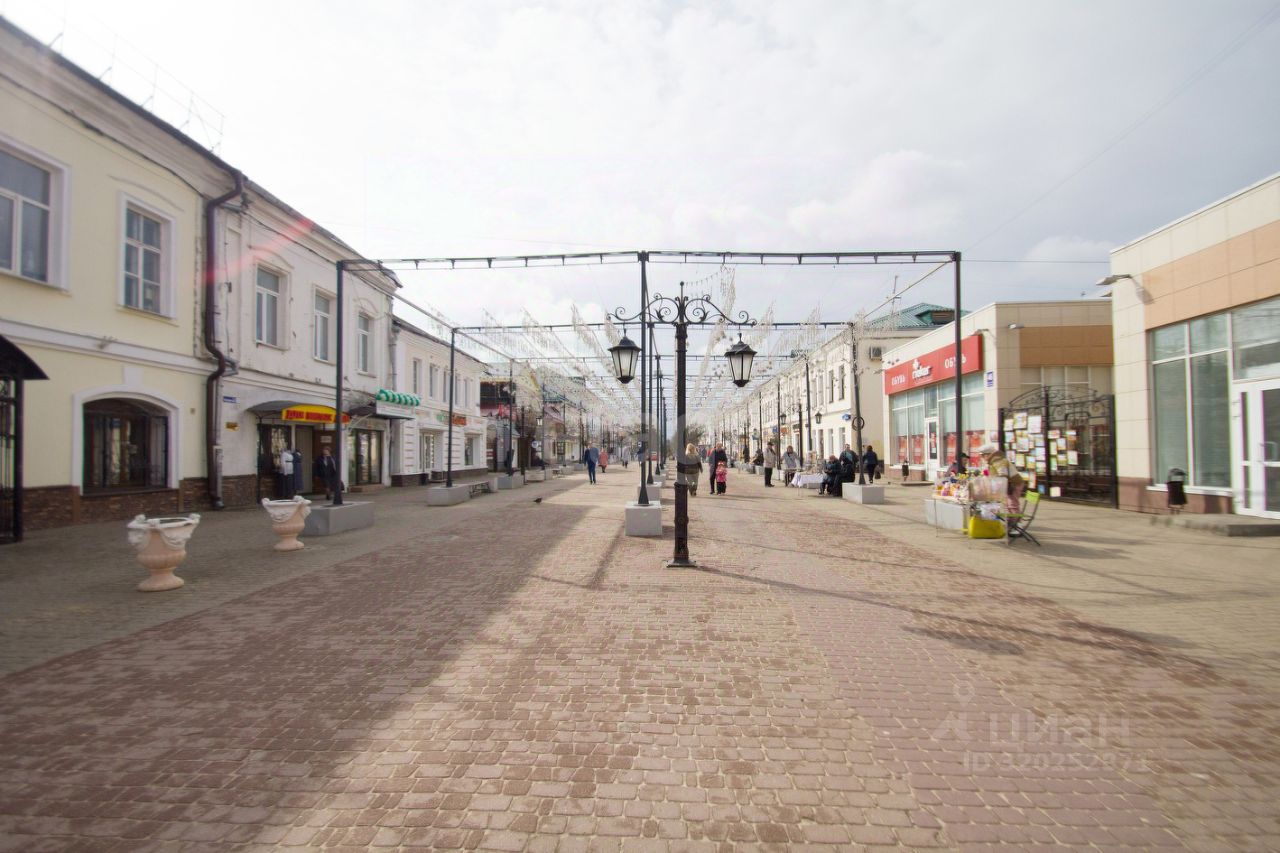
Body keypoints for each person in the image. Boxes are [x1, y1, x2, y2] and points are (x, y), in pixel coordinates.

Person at [977, 442, 1025, 511]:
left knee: (1012, 504)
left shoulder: (998, 460)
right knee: (1007, 504)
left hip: (1014, 484)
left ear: (988, 454)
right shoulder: (992, 461)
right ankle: (1010, 516)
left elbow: (1002, 475)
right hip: (1009, 484)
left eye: (982, 455)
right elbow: (988, 473)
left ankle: (1014, 517)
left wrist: (996, 488)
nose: (982, 458)